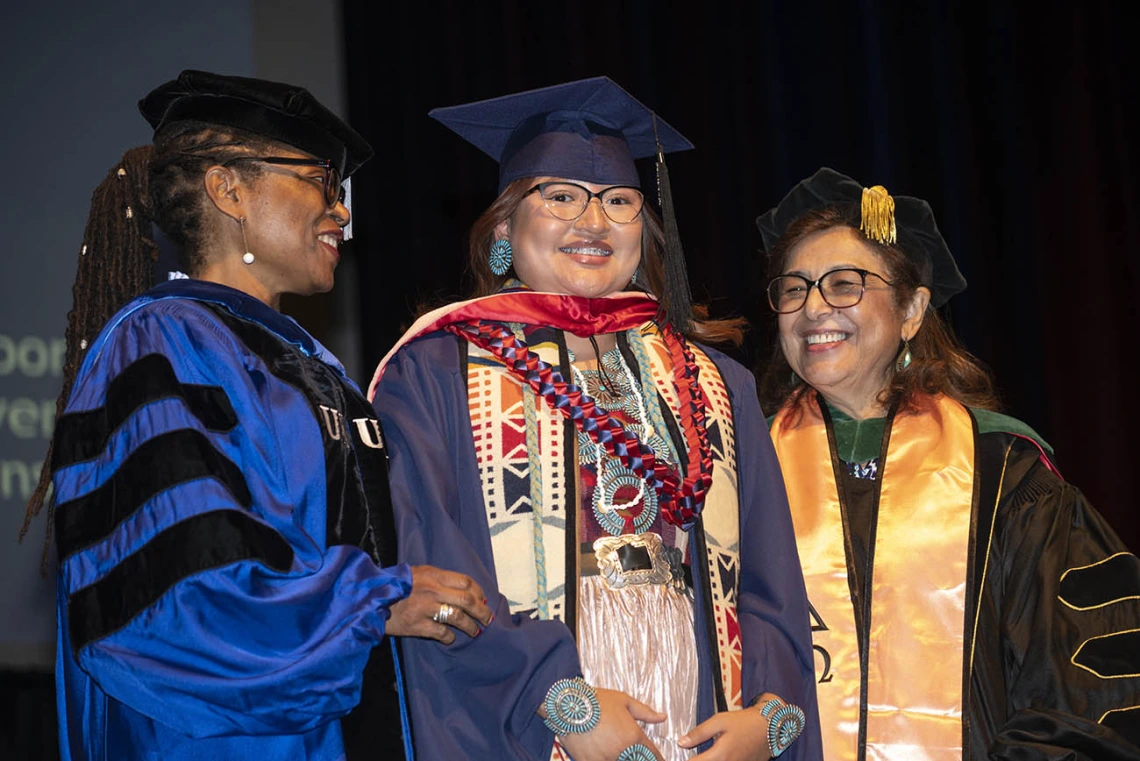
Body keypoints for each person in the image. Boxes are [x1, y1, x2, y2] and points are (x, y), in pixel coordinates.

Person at [20, 70, 492, 761]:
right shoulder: (163, 343)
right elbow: (179, 602)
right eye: (319, 183)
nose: (341, 213)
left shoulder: (318, 367)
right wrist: (372, 603)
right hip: (218, 738)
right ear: (228, 189)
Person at [369, 77, 821, 761]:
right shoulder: (434, 373)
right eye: (559, 197)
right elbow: (433, 567)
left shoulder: (715, 384)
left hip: (699, 712)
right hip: (532, 718)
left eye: (618, 201)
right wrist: (564, 705)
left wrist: (769, 719)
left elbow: (771, 583)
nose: (594, 222)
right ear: (501, 229)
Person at [756, 167, 1140, 760]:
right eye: (793, 288)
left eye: (844, 284)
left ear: (911, 310)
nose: (813, 308)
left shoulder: (1003, 471)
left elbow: (1081, 686)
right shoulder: (741, 465)